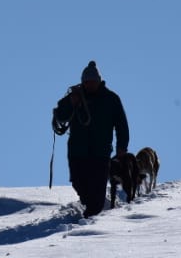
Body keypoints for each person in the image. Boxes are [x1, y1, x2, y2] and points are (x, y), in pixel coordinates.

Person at [52, 61, 130, 217]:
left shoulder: (111, 99)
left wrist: (122, 147)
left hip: (100, 153)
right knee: (78, 183)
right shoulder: (75, 96)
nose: (89, 85)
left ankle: (90, 220)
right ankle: (90, 211)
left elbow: (122, 125)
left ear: (99, 81)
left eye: (92, 82)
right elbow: (60, 115)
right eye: (87, 82)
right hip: (77, 151)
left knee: (97, 189)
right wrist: (71, 103)